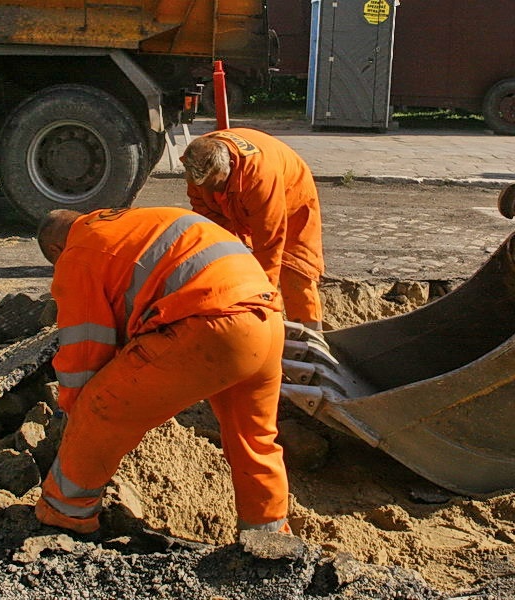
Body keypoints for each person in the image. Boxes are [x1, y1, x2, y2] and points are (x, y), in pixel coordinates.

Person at [34, 206, 290, 536]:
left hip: (210, 325)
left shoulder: (78, 252)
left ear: (56, 250)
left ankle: (64, 517)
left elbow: (84, 352)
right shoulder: (133, 222)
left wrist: (74, 415)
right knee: (254, 438)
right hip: (266, 318)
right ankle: (268, 539)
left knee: (99, 407)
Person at [181, 128, 325, 330]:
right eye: (205, 186)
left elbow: (270, 243)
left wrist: (261, 297)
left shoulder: (260, 178)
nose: (211, 190)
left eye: (216, 184)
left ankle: (310, 334)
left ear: (231, 166)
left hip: (293, 198)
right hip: (237, 197)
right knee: (227, 262)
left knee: (295, 269)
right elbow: (207, 216)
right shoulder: (198, 163)